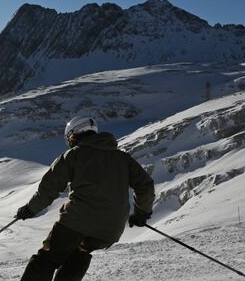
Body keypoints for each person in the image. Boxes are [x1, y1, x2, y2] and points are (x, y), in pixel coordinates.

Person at [15, 117, 155, 281]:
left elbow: (50, 187)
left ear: (74, 135)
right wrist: (141, 214)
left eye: (69, 138)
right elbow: (145, 186)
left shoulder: (75, 154)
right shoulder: (123, 158)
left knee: (47, 258)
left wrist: (30, 209)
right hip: (110, 229)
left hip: (77, 220)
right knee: (79, 255)